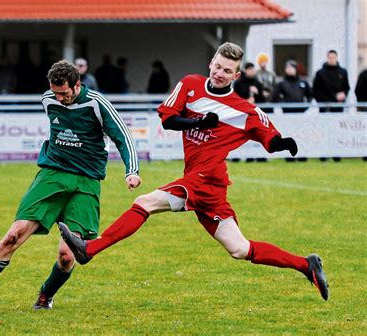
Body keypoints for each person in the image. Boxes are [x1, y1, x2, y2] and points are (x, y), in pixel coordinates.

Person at [59, 42, 329, 302]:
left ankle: (89, 249)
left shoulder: (244, 110)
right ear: (211, 63)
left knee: (145, 202)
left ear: (236, 75)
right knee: (239, 248)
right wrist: (197, 120)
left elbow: (268, 134)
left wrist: (280, 143)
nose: (220, 74)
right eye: (218, 67)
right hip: (207, 186)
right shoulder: (190, 85)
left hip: (206, 178)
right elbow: (168, 119)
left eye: (227, 71)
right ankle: (306, 265)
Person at [0, 60, 141, 313]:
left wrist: (131, 171)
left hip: (85, 183)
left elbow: (123, 135)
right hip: (51, 176)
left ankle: (46, 295)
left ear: (78, 84)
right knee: (13, 235)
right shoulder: (48, 99)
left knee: (67, 255)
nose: (60, 98)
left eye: (65, 93)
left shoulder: (97, 104)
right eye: (56, 93)